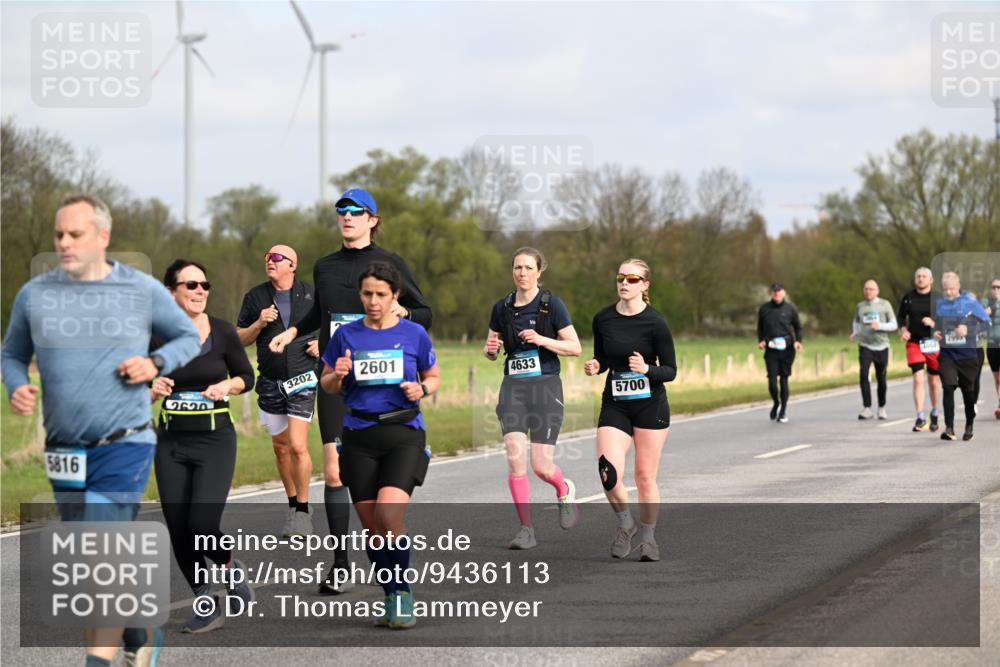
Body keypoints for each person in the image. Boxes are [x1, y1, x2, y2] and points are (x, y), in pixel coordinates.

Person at [1, 194, 201, 667]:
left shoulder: (141, 289)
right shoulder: (35, 295)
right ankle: (140, 631)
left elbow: (187, 337)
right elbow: (11, 353)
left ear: (102, 237)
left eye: (75, 234)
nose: (64, 243)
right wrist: (17, 386)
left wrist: (154, 362)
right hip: (63, 451)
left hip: (124, 443)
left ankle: (99, 660)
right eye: (59, 235)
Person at [268, 188, 431, 595]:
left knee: (379, 504)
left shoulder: (390, 264)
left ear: (373, 219)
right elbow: (315, 313)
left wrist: (399, 312)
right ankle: (340, 563)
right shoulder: (325, 266)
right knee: (335, 471)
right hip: (337, 378)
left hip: (383, 385)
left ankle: (393, 573)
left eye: (356, 211)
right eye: (341, 210)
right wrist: (291, 331)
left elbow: (425, 312)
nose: (347, 216)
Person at [320, 261, 439, 629]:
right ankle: (389, 595)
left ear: (395, 296)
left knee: (389, 517)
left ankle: (403, 593)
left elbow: (432, 377)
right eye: (367, 294)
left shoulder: (414, 333)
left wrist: (421, 388)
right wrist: (337, 376)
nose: (373, 301)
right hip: (358, 436)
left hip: (403, 434)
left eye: (381, 294)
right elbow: (326, 383)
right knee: (372, 528)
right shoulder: (347, 336)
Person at [151, 259, 256, 633]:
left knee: (201, 523)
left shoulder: (223, 332)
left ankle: (229, 567)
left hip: (215, 441)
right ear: (171, 292)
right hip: (170, 444)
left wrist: (228, 386)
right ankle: (205, 598)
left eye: (204, 285)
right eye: (191, 285)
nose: (200, 292)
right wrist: (152, 389)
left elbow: (247, 376)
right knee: (178, 527)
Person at [483, 247, 582, 550]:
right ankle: (526, 529)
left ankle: (563, 489)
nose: (522, 273)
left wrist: (541, 340)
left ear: (539, 271)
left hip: (546, 388)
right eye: (517, 268)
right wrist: (490, 351)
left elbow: (575, 347)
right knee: (515, 457)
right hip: (513, 387)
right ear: (512, 271)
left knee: (541, 466)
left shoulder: (552, 306)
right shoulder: (502, 308)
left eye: (528, 268)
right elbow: (492, 347)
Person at [584, 259, 676, 562]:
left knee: (645, 477)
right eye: (621, 277)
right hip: (615, 403)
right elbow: (604, 358)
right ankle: (626, 523)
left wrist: (647, 368)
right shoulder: (603, 319)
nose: (624, 282)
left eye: (632, 279)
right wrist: (597, 365)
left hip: (651, 405)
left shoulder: (656, 322)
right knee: (607, 472)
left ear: (645, 285)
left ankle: (649, 539)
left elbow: (671, 371)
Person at [236, 245, 319, 538]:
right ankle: (293, 505)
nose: (269, 261)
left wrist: (323, 343)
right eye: (266, 256)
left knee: (297, 445)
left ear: (292, 265)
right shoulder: (256, 296)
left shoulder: (311, 294)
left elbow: (335, 326)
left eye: (276, 258)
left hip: (303, 379)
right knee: (281, 449)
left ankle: (304, 512)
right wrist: (259, 322)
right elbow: (239, 338)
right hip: (270, 382)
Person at [931, 272, 991, 441]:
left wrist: (969, 331)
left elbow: (987, 324)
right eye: (945, 289)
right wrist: (935, 332)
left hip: (967, 354)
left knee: (968, 391)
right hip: (947, 353)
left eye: (951, 289)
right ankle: (949, 428)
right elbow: (937, 324)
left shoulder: (970, 302)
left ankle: (969, 424)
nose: (948, 293)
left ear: (958, 286)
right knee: (948, 387)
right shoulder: (941, 304)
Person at [897, 267, 943, 432]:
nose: (921, 279)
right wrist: (903, 331)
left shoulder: (938, 298)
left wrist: (933, 323)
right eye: (918, 276)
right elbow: (901, 318)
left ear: (931, 280)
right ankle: (920, 416)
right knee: (918, 379)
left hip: (933, 343)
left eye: (924, 276)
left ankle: (935, 411)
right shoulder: (908, 298)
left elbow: (947, 320)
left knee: (934, 381)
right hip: (915, 343)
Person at [850, 279, 898, 420]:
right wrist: (854, 333)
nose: (868, 291)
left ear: (877, 291)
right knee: (864, 375)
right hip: (865, 346)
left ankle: (882, 407)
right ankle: (867, 408)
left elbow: (894, 324)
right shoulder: (860, 306)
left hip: (882, 346)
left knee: (881, 378)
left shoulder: (885, 304)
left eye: (871, 289)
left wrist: (881, 326)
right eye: (866, 289)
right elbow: (856, 322)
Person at [756, 283, 803, 423]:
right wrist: (761, 341)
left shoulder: (791, 309)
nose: (776, 294)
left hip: (787, 349)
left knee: (783, 379)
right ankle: (776, 402)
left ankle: (783, 410)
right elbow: (760, 328)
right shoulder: (764, 309)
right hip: (771, 349)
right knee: (771, 381)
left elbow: (798, 327)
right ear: (771, 293)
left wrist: (798, 341)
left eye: (779, 291)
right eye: (774, 291)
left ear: (784, 293)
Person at [982, 278, 1000, 419]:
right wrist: (984, 314)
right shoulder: (986, 303)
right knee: (997, 378)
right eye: (994, 287)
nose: (996, 290)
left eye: (999, 287)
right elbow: (977, 318)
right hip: (992, 344)